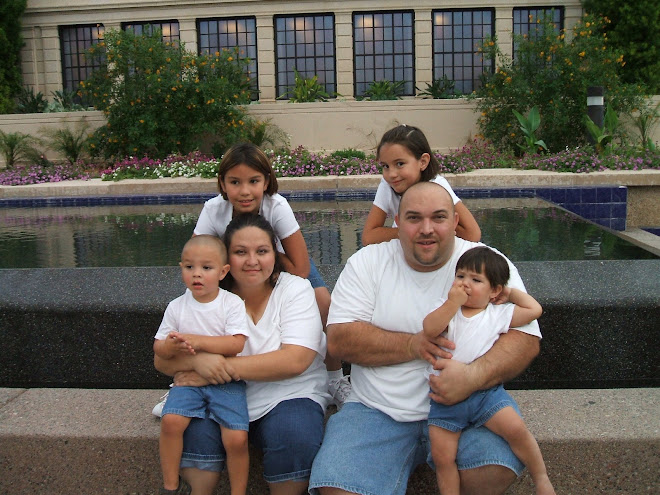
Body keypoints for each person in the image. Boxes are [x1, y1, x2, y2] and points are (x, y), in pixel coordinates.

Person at [309, 181, 542, 495]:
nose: (426, 229)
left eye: (439, 217)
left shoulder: (486, 263)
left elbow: (525, 338)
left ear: (456, 222)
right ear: (397, 222)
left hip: (468, 404)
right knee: (338, 488)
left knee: (493, 471)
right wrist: (412, 345)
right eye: (414, 218)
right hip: (376, 408)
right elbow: (339, 339)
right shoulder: (367, 263)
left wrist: (473, 376)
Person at [154, 213, 331, 495]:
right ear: (226, 262)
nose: (252, 261)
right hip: (219, 394)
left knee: (294, 435)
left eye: (262, 251)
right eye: (240, 252)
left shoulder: (295, 289)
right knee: (194, 432)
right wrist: (198, 362)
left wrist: (217, 368)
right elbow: (162, 358)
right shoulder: (206, 295)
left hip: (287, 393)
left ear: (275, 253)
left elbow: (296, 359)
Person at [193, 142, 348, 405]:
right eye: (234, 182)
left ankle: (335, 378)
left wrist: (260, 254)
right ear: (222, 183)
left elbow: (300, 268)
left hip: (279, 261)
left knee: (323, 302)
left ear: (266, 181)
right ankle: (185, 383)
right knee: (196, 300)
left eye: (253, 181)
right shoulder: (213, 210)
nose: (244, 191)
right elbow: (197, 260)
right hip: (234, 266)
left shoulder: (276, 206)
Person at [423, 246, 554, 495]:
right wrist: (452, 304)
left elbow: (534, 310)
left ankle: (542, 478)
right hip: (445, 400)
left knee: (516, 430)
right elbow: (429, 329)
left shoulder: (497, 315)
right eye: (460, 276)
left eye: (476, 279)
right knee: (443, 457)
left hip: (486, 395)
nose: (465, 284)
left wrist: (511, 292)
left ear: (493, 290)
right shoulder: (447, 309)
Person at [153, 235, 250, 495]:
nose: (197, 274)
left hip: (226, 382)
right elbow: (159, 347)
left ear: (223, 272)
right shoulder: (176, 307)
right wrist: (170, 347)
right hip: (187, 382)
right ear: (181, 268)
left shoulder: (231, 303)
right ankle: (171, 485)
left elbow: (236, 344)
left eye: (206, 268)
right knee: (171, 421)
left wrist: (199, 342)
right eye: (189, 267)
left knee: (237, 438)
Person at [361, 124, 481, 246]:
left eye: (400, 164)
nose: (391, 174)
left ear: (423, 162)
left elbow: (472, 234)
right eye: (385, 166)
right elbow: (368, 237)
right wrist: (409, 231)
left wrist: (436, 229)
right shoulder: (388, 185)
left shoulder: (438, 186)